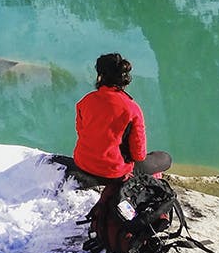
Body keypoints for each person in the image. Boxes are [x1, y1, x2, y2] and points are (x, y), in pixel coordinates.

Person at [73, 53, 171, 181]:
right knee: (165, 158)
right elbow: (139, 155)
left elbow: (81, 132)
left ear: (100, 77)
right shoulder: (132, 109)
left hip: (83, 163)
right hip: (113, 171)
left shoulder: (85, 101)